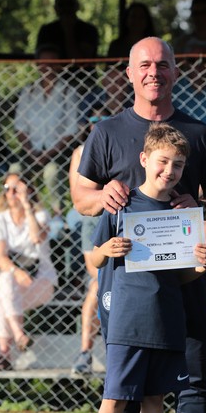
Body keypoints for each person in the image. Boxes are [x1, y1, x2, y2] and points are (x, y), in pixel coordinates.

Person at [73, 37, 206, 413]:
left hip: (183, 274)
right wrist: (102, 197)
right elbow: (82, 196)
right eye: (144, 65)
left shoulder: (198, 132)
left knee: (191, 373)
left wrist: (199, 206)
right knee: (128, 380)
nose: (153, 73)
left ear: (175, 71)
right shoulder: (106, 132)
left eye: (162, 65)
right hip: (129, 286)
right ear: (129, 72)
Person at [80, 122, 206, 413]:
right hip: (127, 319)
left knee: (155, 399)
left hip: (167, 318)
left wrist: (201, 264)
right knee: (115, 399)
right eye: (162, 162)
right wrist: (107, 249)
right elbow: (92, 258)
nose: (168, 171)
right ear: (144, 159)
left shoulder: (183, 212)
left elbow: (183, 272)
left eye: (177, 165)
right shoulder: (120, 206)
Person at [0, 173, 58, 371]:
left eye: (17, 189)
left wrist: (27, 207)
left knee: (1, 295)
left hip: (42, 281)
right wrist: (16, 272)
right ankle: (18, 336)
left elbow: (37, 238)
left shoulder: (40, 215)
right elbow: (1, 257)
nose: (11, 193)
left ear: (29, 191)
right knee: (3, 286)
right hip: (15, 284)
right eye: (7, 189)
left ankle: (5, 355)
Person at [11, 43, 79, 216]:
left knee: (51, 172)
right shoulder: (28, 91)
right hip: (31, 149)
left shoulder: (67, 92)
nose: (47, 67)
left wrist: (47, 155)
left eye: (51, 63)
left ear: (59, 65)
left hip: (58, 151)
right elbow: (19, 127)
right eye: (43, 63)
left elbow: (71, 130)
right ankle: (26, 212)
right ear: (37, 64)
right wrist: (30, 151)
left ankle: (57, 214)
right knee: (15, 170)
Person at [69, 104, 110, 375]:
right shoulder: (81, 153)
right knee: (97, 285)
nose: (97, 125)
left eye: (103, 120)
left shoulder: (119, 148)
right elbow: (79, 197)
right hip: (94, 217)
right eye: (93, 120)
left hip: (118, 217)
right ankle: (85, 352)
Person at [36, 0, 99, 90]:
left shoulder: (88, 30)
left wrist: (68, 31)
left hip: (82, 82)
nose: (66, 9)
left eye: (69, 4)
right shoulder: (47, 30)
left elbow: (81, 62)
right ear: (56, 8)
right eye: (61, 5)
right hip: (53, 82)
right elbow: (42, 60)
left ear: (76, 6)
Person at [103, 3, 156, 115]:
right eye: (133, 16)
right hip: (121, 86)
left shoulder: (153, 45)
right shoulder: (117, 45)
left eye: (141, 17)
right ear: (127, 20)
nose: (137, 20)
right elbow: (110, 70)